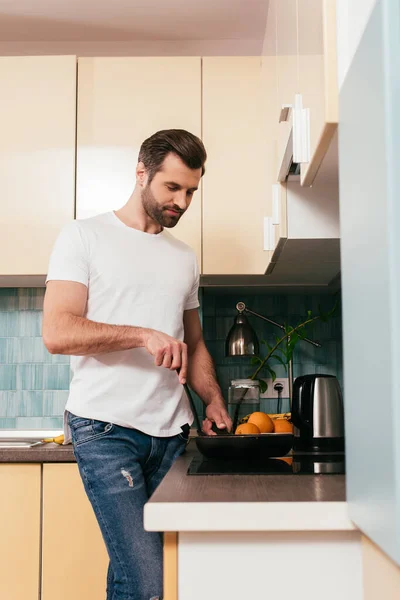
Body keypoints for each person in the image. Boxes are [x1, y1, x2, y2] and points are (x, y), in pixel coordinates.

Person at [42, 129, 232, 600]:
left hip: (172, 434)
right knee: (148, 581)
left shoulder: (184, 258)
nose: (183, 202)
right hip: (106, 431)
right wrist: (142, 334)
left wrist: (213, 400)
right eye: (172, 188)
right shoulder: (84, 236)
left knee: (136, 572)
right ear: (141, 173)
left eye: (191, 191)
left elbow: (196, 341)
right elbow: (58, 332)